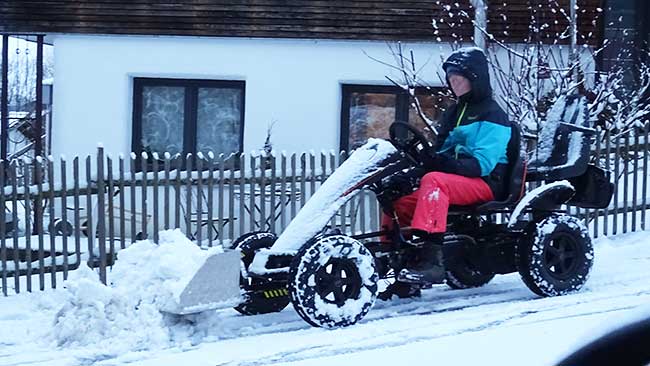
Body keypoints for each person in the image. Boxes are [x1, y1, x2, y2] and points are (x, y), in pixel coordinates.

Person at [378, 47, 511, 300]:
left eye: (460, 77)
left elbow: (482, 164)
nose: (454, 83)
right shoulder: (453, 112)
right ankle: (397, 260)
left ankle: (432, 260)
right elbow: (437, 154)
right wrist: (411, 173)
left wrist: (440, 164)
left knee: (434, 181)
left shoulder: (493, 115)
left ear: (476, 78)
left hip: (485, 182)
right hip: (457, 180)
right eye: (451, 79)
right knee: (396, 198)